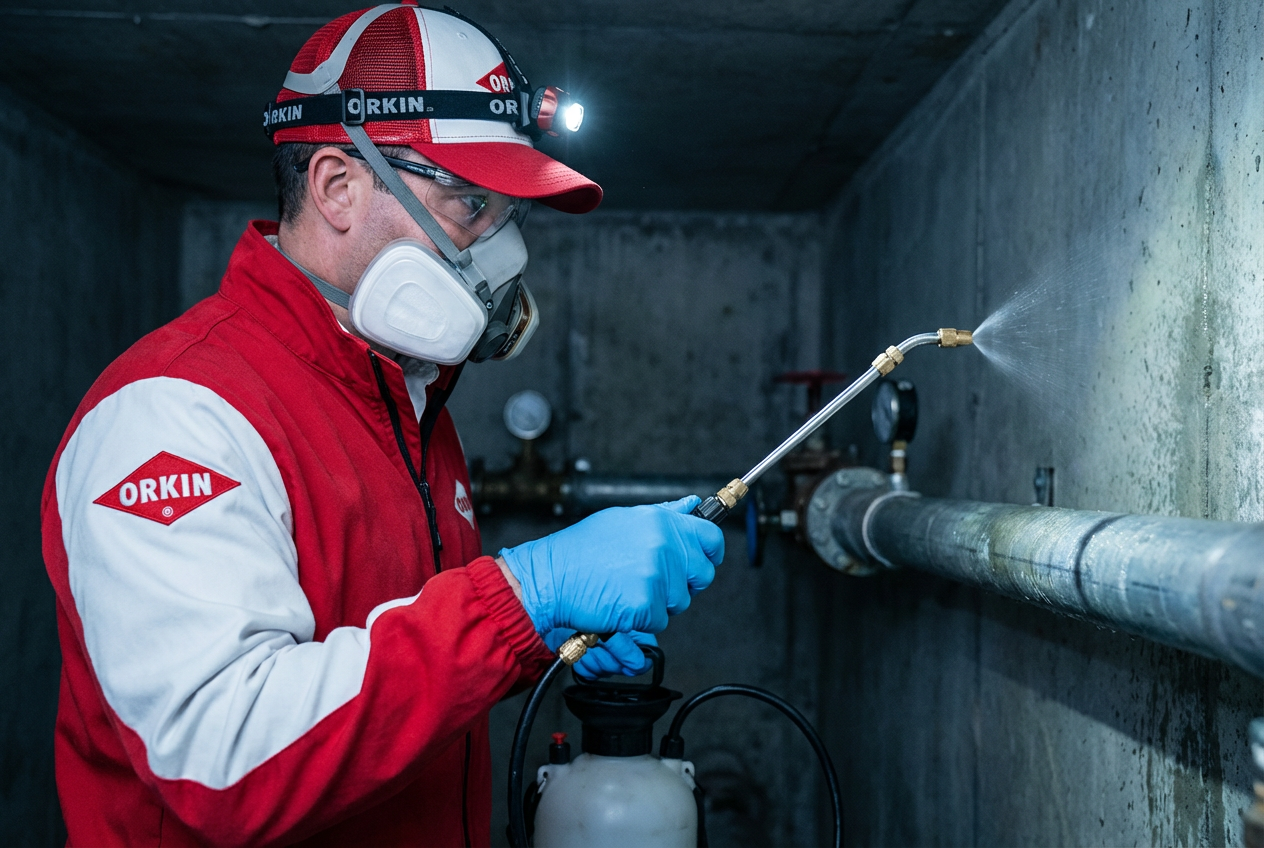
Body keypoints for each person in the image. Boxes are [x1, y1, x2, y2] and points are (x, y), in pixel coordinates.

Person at [40, 4, 724, 845]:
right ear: (337, 186)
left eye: (505, 215)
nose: (499, 251)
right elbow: (224, 759)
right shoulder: (176, 414)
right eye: (471, 205)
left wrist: (533, 639)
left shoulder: (405, 401)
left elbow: (377, 669)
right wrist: (520, 598)